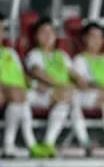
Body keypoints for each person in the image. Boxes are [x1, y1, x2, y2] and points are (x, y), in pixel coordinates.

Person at [25, 17, 90, 156]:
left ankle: (49, 143)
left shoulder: (62, 55)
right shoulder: (34, 54)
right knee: (69, 98)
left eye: (51, 32)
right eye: (43, 32)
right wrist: (61, 86)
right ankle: (84, 140)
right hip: (43, 92)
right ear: (36, 36)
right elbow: (37, 72)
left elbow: (74, 74)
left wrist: (81, 83)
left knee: (68, 102)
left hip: (63, 94)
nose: (48, 36)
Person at [71, 22, 104, 156]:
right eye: (93, 37)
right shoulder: (80, 59)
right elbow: (83, 85)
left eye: (99, 37)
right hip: (89, 96)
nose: (96, 41)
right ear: (85, 38)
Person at [0, 14, 41, 158]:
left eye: (2, 29)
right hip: (6, 91)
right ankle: (27, 143)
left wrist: (36, 84)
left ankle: (12, 145)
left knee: (22, 95)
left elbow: (23, 76)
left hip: (19, 91)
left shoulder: (10, 52)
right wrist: (7, 88)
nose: (0, 33)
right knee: (18, 95)